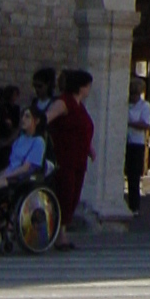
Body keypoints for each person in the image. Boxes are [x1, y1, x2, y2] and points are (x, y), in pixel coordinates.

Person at [0, 105, 48, 229]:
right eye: (23, 116)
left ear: (37, 121)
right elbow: (11, 165)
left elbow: (25, 168)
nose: (23, 119)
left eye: (27, 116)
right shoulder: (20, 140)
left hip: (21, 178)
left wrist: (4, 176)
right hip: (10, 174)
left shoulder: (38, 142)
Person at [45, 68, 96, 243]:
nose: (89, 89)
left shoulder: (80, 106)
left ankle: (62, 232)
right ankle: (60, 235)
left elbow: (81, 128)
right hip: (65, 156)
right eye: (88, 86)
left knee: (73, 195)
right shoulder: (64, 102)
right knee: (65, 195)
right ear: (81, 87)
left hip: (79, 158)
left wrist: (90, 148)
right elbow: (48, 118)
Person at [124, 77, 150, 214]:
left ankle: (134, 205)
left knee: (134, 175)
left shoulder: (145, 106)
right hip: (126, 141)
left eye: (136, 94)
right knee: (126, 173)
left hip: (137, 143)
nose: (134, 96)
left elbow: (146, 124)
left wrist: (129, 123)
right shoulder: (126, 105)